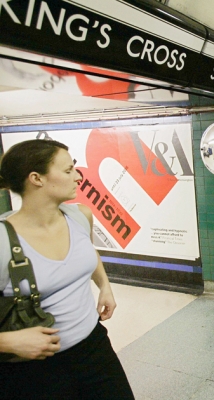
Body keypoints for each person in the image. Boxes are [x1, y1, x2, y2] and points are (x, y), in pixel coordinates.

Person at [0, 139, 134, 399]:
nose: (77, 176)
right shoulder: (4, 241)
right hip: (33, 371)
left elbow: (87, 252)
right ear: (36, 178)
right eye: (67, 170)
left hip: (94, 348)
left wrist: (104, 286)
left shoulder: (79, 216)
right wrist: (8, 342)